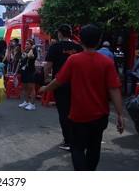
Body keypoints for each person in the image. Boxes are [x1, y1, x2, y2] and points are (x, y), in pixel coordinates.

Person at [39, 24, 125, 171]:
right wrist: (120, 114)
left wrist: (45, 88)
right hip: (100, 115)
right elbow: (114, 89)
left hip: (78, 115)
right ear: (99, 41)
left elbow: (59, 81)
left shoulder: (74, 60)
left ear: (81, 41)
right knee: (94, 147)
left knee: (77, 148)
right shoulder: (107, 62)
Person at [43, 24, 84, 151]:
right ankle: (77, 138)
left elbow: (48, 66)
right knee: (75, 111)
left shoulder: (55, 47)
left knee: (64, 112)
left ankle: (68, 140)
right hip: (76, 84)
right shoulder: (78, 47)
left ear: (60, 33)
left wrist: (44, 81)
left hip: (60, 83)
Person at [14, 39, 38, 111]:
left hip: (30, 71)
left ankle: (32, 104)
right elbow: (20, 62)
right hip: (23, 71)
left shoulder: (33, 52)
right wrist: (16, 71)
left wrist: (33, 48)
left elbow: (30, 56)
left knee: (31, 87)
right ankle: (26, 101)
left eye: (28, 44)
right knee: (25, 87)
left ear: (31, 45)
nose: (26, 45)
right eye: (26, 44)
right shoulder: (24, 52)